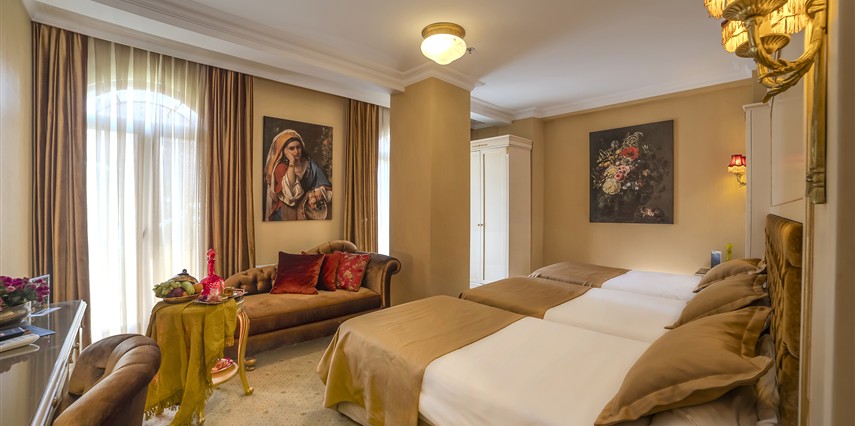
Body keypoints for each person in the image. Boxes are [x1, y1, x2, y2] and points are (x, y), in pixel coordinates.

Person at [264, 129, 332, 221]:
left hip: (308, 210)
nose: (296, 151)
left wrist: (319, 191)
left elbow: (324, 185)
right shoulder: (280, 168)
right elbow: (290, 194)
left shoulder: (310, 164)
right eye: (291, 148)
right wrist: (292, 162)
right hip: (287, 212)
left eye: (298, 147)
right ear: (284, 150)